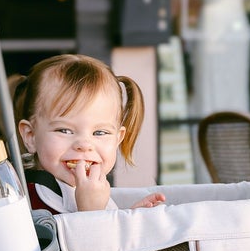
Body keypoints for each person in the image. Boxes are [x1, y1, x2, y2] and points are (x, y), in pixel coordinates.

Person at [11, 54, 167, 212]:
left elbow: (109, 234)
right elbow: (81, 236)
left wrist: (127, 218)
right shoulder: (32, 202)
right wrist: (91, 212)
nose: (84, 145)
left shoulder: (91, 189)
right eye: (64, 130)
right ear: (31, 136)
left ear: (118, 139)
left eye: (99, 132)